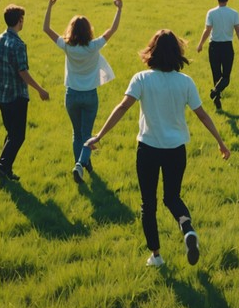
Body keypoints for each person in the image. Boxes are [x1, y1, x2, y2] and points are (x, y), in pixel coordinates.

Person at [86, 30, 230, 268]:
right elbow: (203, 115)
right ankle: (187, 229)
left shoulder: (142, 79)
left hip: (148, 149)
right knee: (172, 197)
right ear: (178, 52)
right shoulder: (185, 82)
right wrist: (220, 142)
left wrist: (99, 135)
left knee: (148, 204)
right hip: (176, 150)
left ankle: (156, 256)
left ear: (151, 51)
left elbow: (122, 108)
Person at [43, 0, 122, 184]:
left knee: (76, 134)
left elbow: (46, 29)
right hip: (90, 96)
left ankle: (81, 164)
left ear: (71, 30)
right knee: (87, 135)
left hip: (71, 95)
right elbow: (113, 29)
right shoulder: (94, 46)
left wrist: (49, 6)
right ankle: (80, 164)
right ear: (88, 30)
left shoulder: (67, 46)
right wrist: (119, 9)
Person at [0, 4, 49, 181]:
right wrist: (40, 90)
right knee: (18, 136)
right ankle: (1, 165)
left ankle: (6, 170)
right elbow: (23, 72)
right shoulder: (18, 44)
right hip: (17, 97)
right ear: (19, 21)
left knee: (11, 133)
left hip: (1, 95)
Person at [196, 0, 239, 110]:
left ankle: (216, 95)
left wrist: (200, 44)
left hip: (214, 47)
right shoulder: (234, 13)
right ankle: (216, 94)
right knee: (225, 77)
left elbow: (207, 30)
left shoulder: (211, 13)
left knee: (216, 75)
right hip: (227, 47)